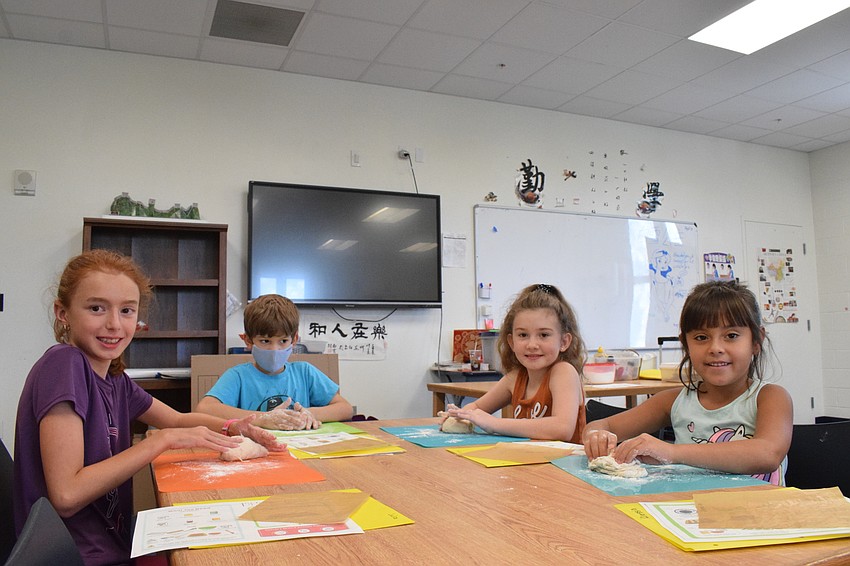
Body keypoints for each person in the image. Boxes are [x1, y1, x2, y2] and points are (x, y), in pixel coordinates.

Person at [13, 249, 283, 566]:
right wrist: (159, 441)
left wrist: (231, 426)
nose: (114, 324)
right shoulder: (64, 364)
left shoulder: (114, 378)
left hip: (113, 544)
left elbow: (178, 419)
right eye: (96, 308)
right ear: (63, 312)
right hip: (75, 556)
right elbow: (67, 495)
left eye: (127, 311)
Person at [583, 280, 792, 485]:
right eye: (701, 337)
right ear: (686, 344)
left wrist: (671, 452)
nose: (715, 348)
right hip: (689, 512)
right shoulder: (672, 401)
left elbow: (768, 453)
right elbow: (603, 425)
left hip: (758, 513)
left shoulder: (770, 397)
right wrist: (597, 436)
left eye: (731, 335)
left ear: (756, 341)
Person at [444, 283, 586, 441]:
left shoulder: (563, 372)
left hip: (559, 464)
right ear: (511, 342)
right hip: (526, 462)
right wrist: (459, 415)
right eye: (523, 335)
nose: (532, 345)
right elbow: (476, 408)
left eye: (544, 335)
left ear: (564, 341)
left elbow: (562, 428)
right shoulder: (515, 378)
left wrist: (494, 424)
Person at [197, 294, 354, 430]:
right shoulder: (238, 376)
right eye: (265, 341)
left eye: (283, 341)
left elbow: (345, 408)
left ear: (294, 340)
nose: (274, 349)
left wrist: (310, 413)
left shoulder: (305, 372)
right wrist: (263, 418)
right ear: (248, 341)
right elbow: (204, 409)